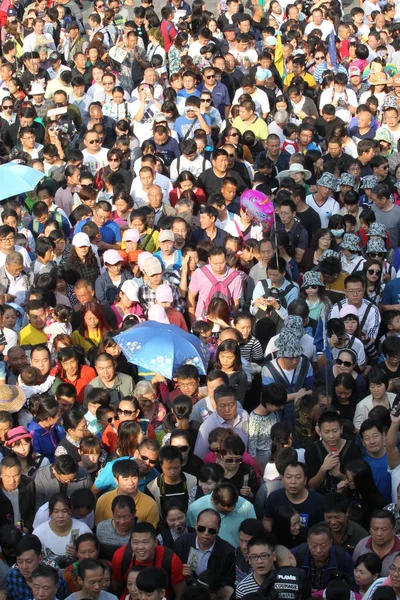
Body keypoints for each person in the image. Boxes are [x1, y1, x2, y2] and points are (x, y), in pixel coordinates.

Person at [111, 522, 186, 599]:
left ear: (155, 542)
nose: (140, 547)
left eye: (145, 542)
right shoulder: (121, 556)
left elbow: (180, 592)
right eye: (135, 542)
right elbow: (116, 587)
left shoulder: (170, 559)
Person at [173, 508, 235, 586]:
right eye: (201, 528)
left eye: (211, 530)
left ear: (218, 530)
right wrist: (180, 573)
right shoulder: (181, 544)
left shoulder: (228, 552)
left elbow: (228, 583)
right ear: (196, 525)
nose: (206, 533)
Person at [305, 410, 362, 495]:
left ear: (341, 429)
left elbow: (358, 484)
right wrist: (323, 469)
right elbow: (312, 486)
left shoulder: (352, 449)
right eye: (327, 432)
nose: (331, 436)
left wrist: (338, 474)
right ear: (320, 432)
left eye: (335, 431)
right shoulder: (312, 450)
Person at [263, 461, 325, 535]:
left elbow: (323, 528)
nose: (293, 481)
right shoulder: (274, 497)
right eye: (288, 477)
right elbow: (267, 520)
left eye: (298, 477)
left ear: (305, 480)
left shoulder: (318, 501)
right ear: (282, 479)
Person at [187, 483, 256, 547]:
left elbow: (253, 536)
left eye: (230, 510)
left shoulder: (247, 508)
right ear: (212, 500)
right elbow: (191, 534)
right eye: (223, 511)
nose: (227, 513)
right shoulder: (195, 508)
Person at [94, 459, 159, 528]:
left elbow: (150, 533)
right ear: (116, 480)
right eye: (125, 479)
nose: (131, 483)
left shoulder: (150, 504)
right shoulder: (103, 500)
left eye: (134, 478)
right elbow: (99, 528)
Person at [194, 385, 249, 461]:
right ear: (216, 405)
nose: (227, 410)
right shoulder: (207, 427)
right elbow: (200, 457)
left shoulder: (244, 415)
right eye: (222, 406)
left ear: (236, 403)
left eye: (231, 405)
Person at [293, 524, 355, 590]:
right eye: (314, 546)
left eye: (323, 546)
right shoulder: (296, 555)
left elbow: (352, 585)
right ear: (308, 542)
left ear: (330, 543)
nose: (318, 550)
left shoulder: (343, 558)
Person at [7, 534, 69, 600]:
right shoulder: (13, 576)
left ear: (40, 558)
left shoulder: (55, 579)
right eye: (20, 561)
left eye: (29, 561)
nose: (24, 567)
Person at [352, 510, 400, 576]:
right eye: (375, 529)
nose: (379, 534)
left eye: (384, 529)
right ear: (369, 529)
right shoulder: (362, 545)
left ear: (394, 530)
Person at [0, 455, 36, 532]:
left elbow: (33, 509)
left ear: (21, 473)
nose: (12, 480)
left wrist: (27, 528)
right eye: (7, 476)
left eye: (15, 476)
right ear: (1, 475)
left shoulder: (28, 485)